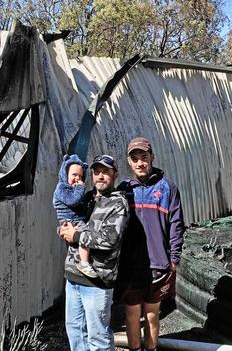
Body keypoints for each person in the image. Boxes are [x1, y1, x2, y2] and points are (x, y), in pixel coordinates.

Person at [117, 137, 185, 351]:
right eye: (134, 159)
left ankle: (151, 349)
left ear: (152, 157)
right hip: (130, 265)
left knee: (152, 315)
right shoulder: (124, 189)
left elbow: (176, 224)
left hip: (158, 264)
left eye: (144, 157)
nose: (140, 163)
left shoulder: (167, 188)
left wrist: (174, 258)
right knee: (132, 315)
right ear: (129, 162)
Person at [59, 154, 129, 351]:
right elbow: (69, 218)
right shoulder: (86, 197)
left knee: (98, 337)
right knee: (74, 331)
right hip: (73, 276)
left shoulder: (118, 204)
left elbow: (110, 240)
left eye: (105, 172)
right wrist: (64, 230)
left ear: (115, 174)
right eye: (96, 172)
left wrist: (76, 236)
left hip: (97, 280)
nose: (100, 176)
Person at [53, 154, 97, 277]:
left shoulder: (72, 188)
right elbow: (73, 201)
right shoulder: (62, 188)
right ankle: (84, 262)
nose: (77, 178)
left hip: (74, 219)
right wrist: (81, 188)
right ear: (65, 174)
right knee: (85, 235)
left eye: (80, 176)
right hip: (71, 220)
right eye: (74, 175)